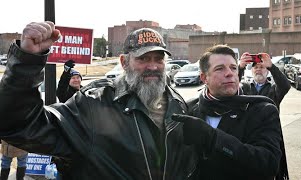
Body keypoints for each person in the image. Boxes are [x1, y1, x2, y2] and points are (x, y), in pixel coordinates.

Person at [0, 22, 198, 179]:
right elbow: (20, 126)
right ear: (124, 62)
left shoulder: (177, 103)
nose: (153, 66)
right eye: (143, 59)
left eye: (158, 58)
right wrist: (26, 62)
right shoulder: (94, 106)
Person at [172, 45, 283, 180]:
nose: (229, 73)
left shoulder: (262, 110)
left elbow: (269, 164)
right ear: (204, 78)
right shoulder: (189, 109)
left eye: (233, 68)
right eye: (220, 68)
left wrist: (214, 138)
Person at [238, 52, 290, 179]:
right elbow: (231, 84)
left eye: (262, 67)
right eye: (255, 67)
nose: (258, 70)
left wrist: (272, 66)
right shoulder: (244, 88)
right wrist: (240, 67)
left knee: (270, 170)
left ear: (267, 71)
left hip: (269, 135)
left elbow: (285, 85)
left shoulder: (273, 89)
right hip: (248, 135)